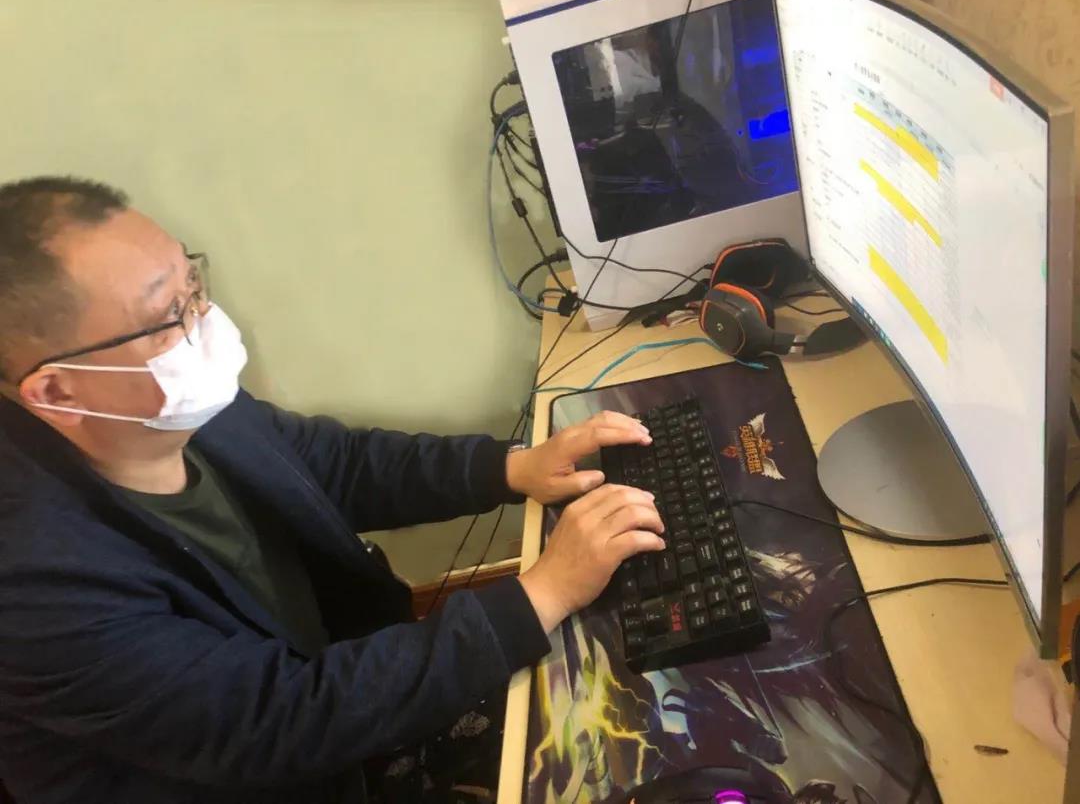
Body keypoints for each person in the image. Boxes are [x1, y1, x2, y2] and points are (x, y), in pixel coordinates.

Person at [0, 176, 666, 804]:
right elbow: (278, 720)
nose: (204, 320)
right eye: (169, 312)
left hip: (337, 710)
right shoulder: (33, 585)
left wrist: (510, 468)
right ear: (58, 390)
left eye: (192, 282)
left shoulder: (171, 408)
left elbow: (333, 464)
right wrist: (543, 592)